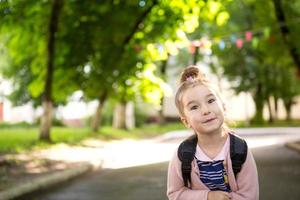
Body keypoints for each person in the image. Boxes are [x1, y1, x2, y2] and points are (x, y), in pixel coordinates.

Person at [167, 65, 259, 200]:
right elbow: (175, 193)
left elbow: (250, 195)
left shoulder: (239, 150)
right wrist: (208, 196)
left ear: (224, 108)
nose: (205, 110)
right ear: (186, 121)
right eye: (194, 107)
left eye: (211, 100)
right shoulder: (183, 154)